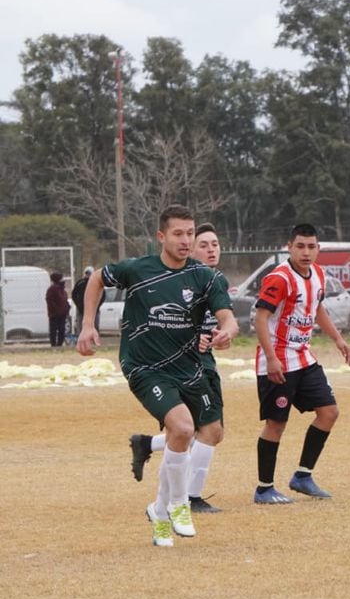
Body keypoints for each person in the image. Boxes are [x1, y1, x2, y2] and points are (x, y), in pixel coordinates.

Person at [77, 205, 238, 547]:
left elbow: (229, 317)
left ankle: (160, 511)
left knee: (196, 434)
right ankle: (180, 504)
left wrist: (227, 330)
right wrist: (88, 323)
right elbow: (96, 278)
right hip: (145, 367)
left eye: (190, 233)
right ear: (161, 237)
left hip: (189, 368)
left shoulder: (204, 277)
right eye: (178, 234)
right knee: (181, 428)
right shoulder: (138, 269)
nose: (186, 240)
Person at [253, 223, 350, 505]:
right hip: (278, 362)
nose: (306, 252)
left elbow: (316, 307)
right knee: (276, 424)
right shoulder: (279, 279)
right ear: (289, 247)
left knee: (329, 412)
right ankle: (264, 489)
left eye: (311, 246)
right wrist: (272, 358)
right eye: (300, 246)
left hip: (304, 358)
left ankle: (302, 476)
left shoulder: (319, 275)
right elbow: (260, 318)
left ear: (318, 249)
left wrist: (338, 339)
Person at [128, 222, 227, 513]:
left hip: (206, 362)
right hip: (186, 367)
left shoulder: (214, 280)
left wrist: (222, 337)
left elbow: (219, 326)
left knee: (202, 430)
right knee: (209, 430)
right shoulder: (181, 281)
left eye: (215, 244)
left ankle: (146, 444)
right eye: (204, 244)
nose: (211, 249)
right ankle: (189, 498)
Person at [71, 266, 105, 334]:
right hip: (81, 309)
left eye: (89, 273)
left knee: (95, 325)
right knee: (81, 325)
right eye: (87, 273)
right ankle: (80, 339)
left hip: (94, 309)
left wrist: (97, 305)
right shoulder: (80, 283)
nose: (88, 275)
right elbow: (74, 295)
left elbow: (103, 295)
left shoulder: (97, 283)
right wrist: (78, 305)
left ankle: (94, 340)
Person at [45, 271, 70, 347]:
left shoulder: (62, 289)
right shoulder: (52, 289)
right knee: (54, 330)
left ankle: (60, 344)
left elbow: (64, 300)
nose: (63, 280)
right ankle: (54, 344)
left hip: (62, 314)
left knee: (62, 330)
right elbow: (49, 300)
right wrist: (56, 310)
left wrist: (67, 307)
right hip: (54, 314)